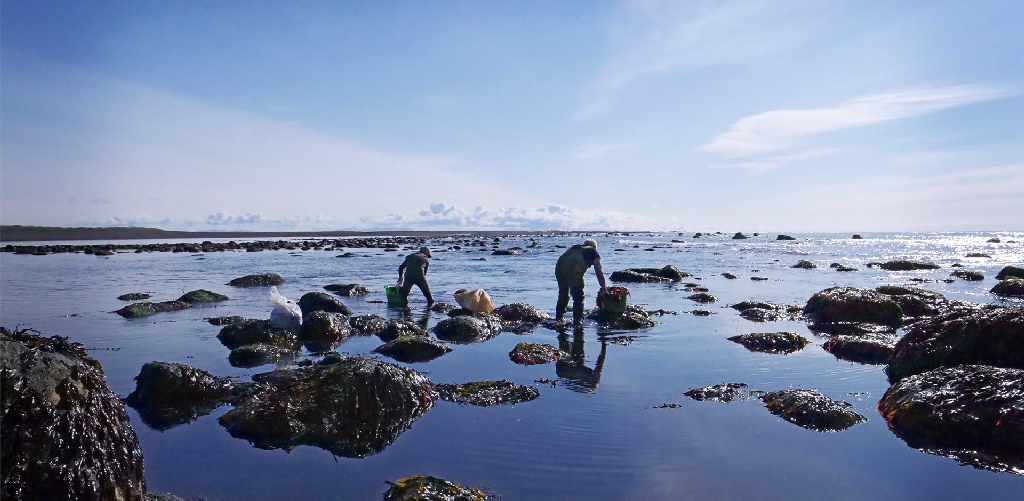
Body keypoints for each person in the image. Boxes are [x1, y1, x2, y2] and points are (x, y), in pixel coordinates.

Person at [554, 238, 607, 325]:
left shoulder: (575, 248)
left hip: (559, 268)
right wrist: (604, 287)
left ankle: (559, 319)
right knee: (578, 297)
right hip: (574, 270)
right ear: (594, 247)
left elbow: (567, 260)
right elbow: (599, 272)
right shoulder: (592, 251)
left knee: (563, 294)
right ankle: (578, 322)